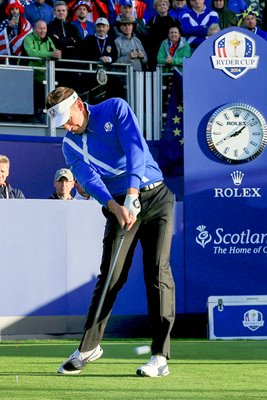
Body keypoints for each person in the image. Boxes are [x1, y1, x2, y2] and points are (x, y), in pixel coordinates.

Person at [45, 86, 175, 378]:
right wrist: (116, 207)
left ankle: (159, 356)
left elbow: (134, 149)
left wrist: (132, 192)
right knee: (111, 276)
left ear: (79, 104)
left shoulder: (114, 108)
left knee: (157, 273)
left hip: (155, 198)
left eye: (69, 119)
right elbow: (90, 180)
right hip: (119, 205)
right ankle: (89, 348)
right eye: (62, 124)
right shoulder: (70, 145)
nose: (67, 127)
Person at [21, 19, 62, 123]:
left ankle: (44, 116)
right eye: (40, 28)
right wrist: (49, 55)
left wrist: (57, 56)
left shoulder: (48, 40)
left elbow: (55, 53)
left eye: (44, 28)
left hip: (44, 75)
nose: (42, 31)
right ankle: (31, 118)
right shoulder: (28, 39)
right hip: (28, 75)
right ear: (34, 29)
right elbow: (32, 53)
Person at [146, 0, 181, 70]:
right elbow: (148, 37)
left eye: (163, 4)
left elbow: (179, 37)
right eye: (159, 5)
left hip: (170, 50)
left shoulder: (174, 20)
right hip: (154, 51)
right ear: (156, 8)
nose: (162, 6)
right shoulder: (152, 20)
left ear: (168, 7)